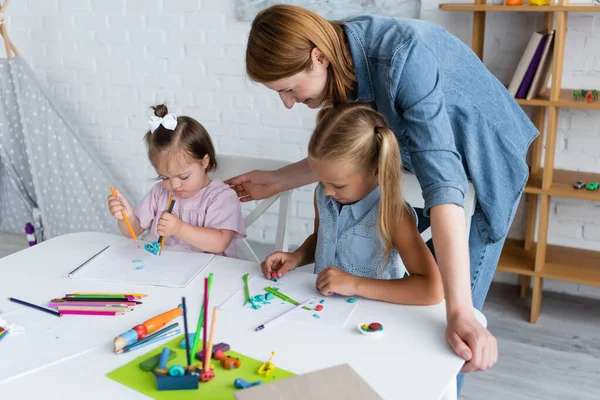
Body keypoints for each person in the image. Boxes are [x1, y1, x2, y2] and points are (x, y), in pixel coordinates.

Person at [227, 4, 539, 390]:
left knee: (452, 334)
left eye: (289, 89)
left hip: (481, 163)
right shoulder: (340, 61)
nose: (288, 103)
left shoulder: (403, 57)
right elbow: (349, 156)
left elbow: (444, 184)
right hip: (421, 160)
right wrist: (277, 180)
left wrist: (458, 310)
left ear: (317, 58)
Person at [262, 104, 443, 305]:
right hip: (324, 309)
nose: (328, 191)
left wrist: (354, 284)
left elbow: (432, 290)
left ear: (375, 170)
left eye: (338, 185)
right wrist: (295, 258)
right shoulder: (324, 195)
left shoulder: (394, 214)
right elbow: (321, 239)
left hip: (374, 319)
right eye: (323, 180)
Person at [108, 104, 246, 258]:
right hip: (163, 272)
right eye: (165, 177)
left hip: (207, 276)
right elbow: (132, 232)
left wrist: (179, 228)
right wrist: (126, 217)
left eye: (183, 177)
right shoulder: (159, 193)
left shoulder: (221, 197)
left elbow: (219, 243)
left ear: (204, 162)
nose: (174, 185)